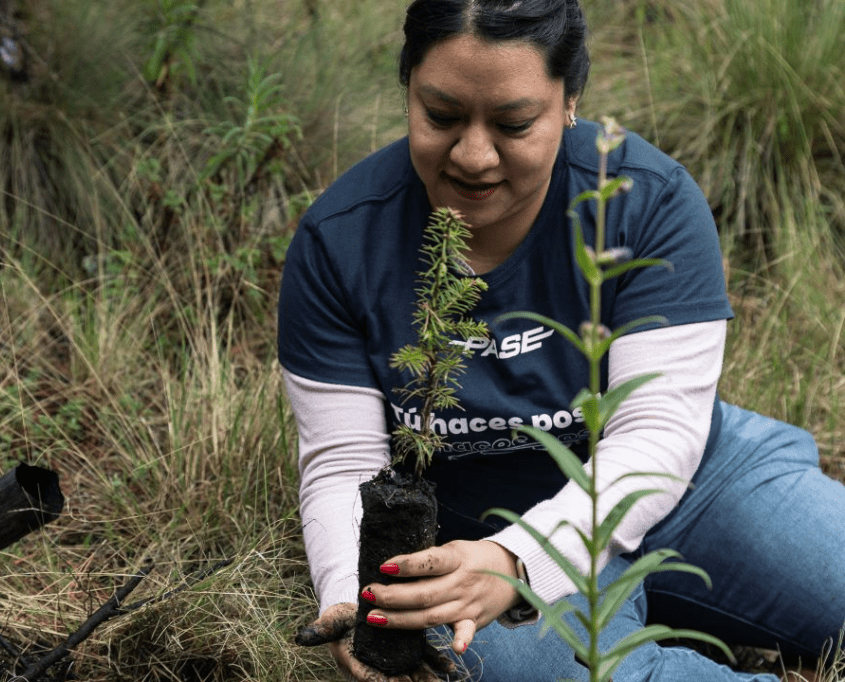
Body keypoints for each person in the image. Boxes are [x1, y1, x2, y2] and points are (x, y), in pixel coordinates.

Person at [277, 1, 845, 680]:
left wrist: (522, 558)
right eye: (441, 116)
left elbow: (658, 432)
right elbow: (345, 465)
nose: (473, 156)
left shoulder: (644, 200)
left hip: (685, 489)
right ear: (407, 88)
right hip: (473, 547)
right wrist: (352, 595)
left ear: (569, 100)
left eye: (514, 124)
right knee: (535, 672)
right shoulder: (341, 239)